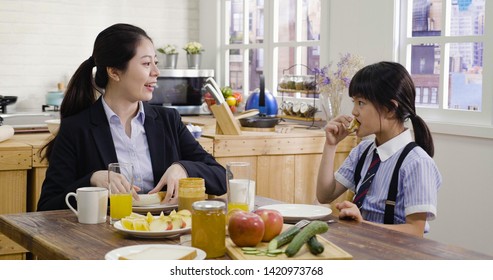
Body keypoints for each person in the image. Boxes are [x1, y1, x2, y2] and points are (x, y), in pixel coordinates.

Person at [37, 23, 227, 211]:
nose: (156, 72)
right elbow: (47, 207)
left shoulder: (169, 120)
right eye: (146, 63)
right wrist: (92, 180)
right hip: (104, 238)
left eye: (155, 63)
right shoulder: (77, 128)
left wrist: (184, 169)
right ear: (114, 72)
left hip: (167, 233)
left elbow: (222, 177)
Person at [316, 61, 442, 237]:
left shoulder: (417, 163)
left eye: (361, 103)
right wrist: (331, 145)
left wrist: (362, 225)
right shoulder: (363, 151)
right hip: (361, 245)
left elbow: (415, 231)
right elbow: (325, 195)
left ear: (390, 109)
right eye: (354, 102)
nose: (354, 112)